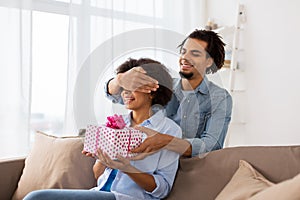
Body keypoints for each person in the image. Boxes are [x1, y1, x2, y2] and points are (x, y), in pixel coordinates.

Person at [24, 58, 182, 200]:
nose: (125, 92)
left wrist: (127, 168)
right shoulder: (116, 124)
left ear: (152, 91)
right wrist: (103, 159)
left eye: (132, 86)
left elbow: (162, 190)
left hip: (129, 198)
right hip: (100, 192)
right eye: (123, 87)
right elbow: (98, 175)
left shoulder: (168, 130)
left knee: (36, 197)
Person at [105, 29, 233, 158]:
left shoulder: (220, 98)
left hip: (192, 168)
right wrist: (119, 80)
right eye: (183, 52)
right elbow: (118, 96)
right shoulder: (162, 85)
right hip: (153, 163)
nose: (185, 58)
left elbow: (212, 145)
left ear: (209, 61)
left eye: (195, 53)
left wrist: (165, 141)